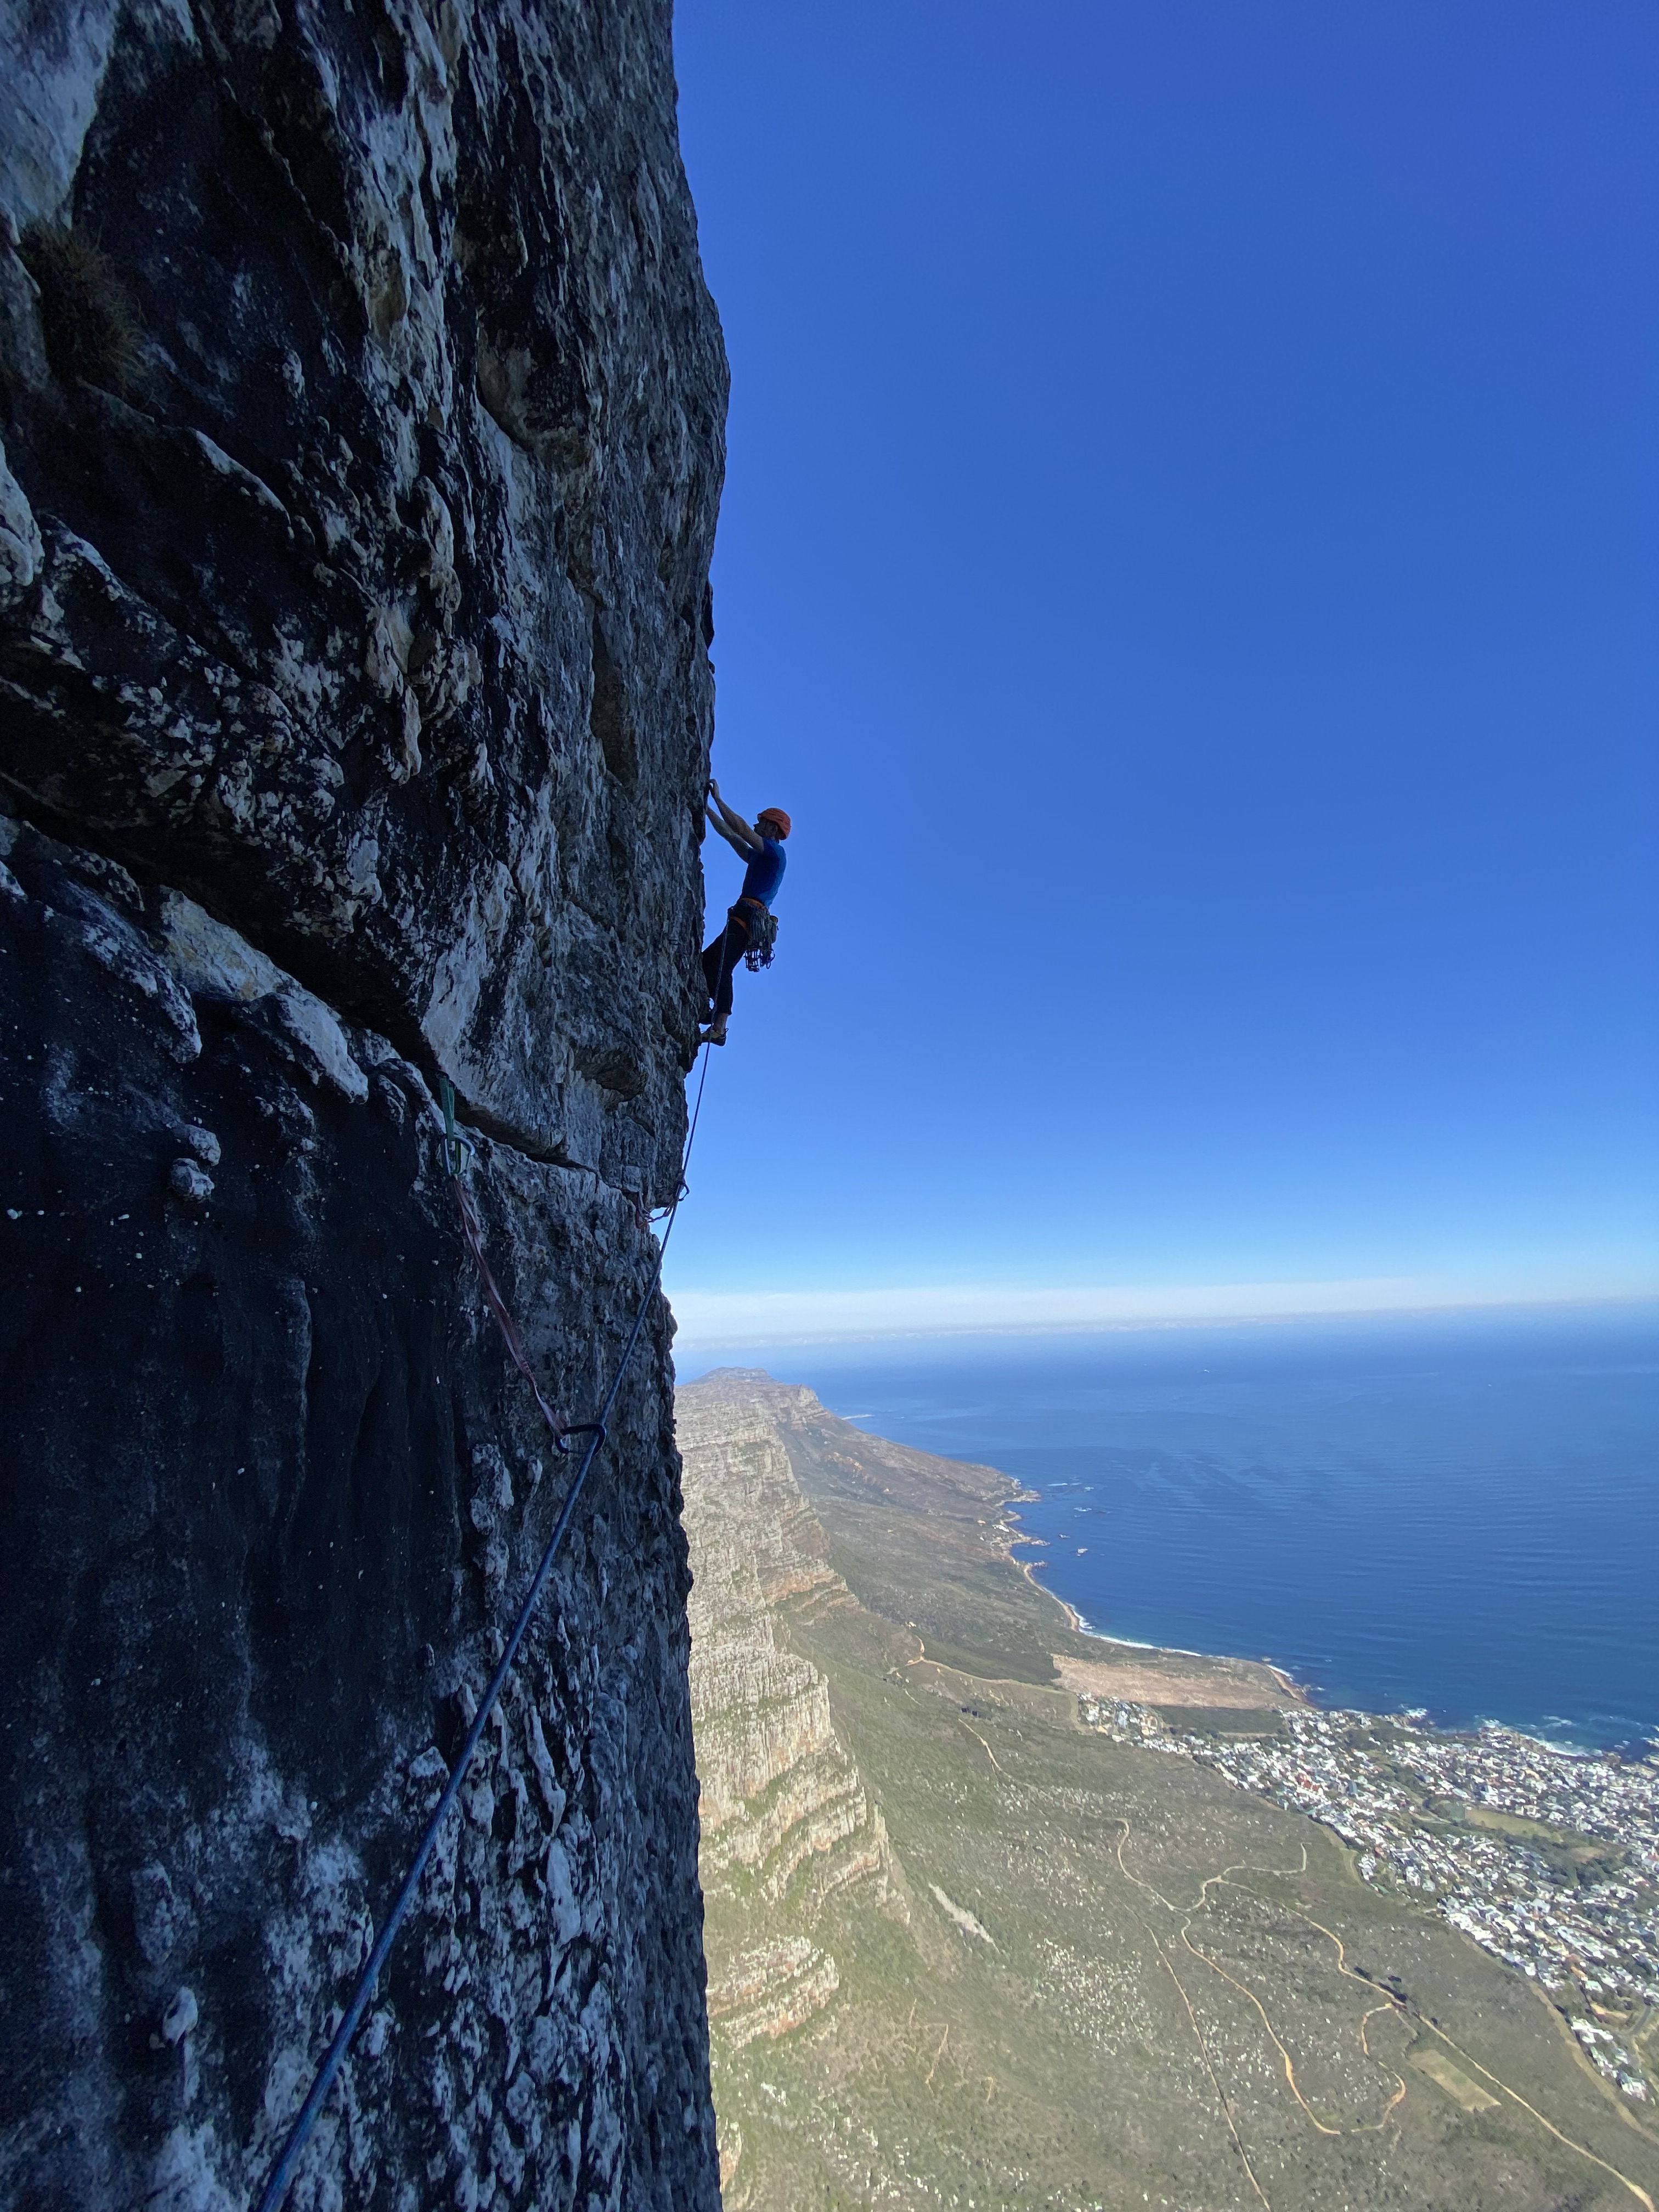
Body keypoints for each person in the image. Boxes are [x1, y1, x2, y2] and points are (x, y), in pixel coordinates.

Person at [699, 778, 790, 1045]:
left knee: (722, 966)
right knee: (707, 963)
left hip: (748, 919)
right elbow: (731, 835)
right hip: (743, 917)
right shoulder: (761, 857)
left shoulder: (774, 853)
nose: (755, 826)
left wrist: (717, 799)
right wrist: (706, 811)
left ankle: (720, 1026)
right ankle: (707, 1011)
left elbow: (739, 828)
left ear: (772, 828)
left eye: (760, 823)